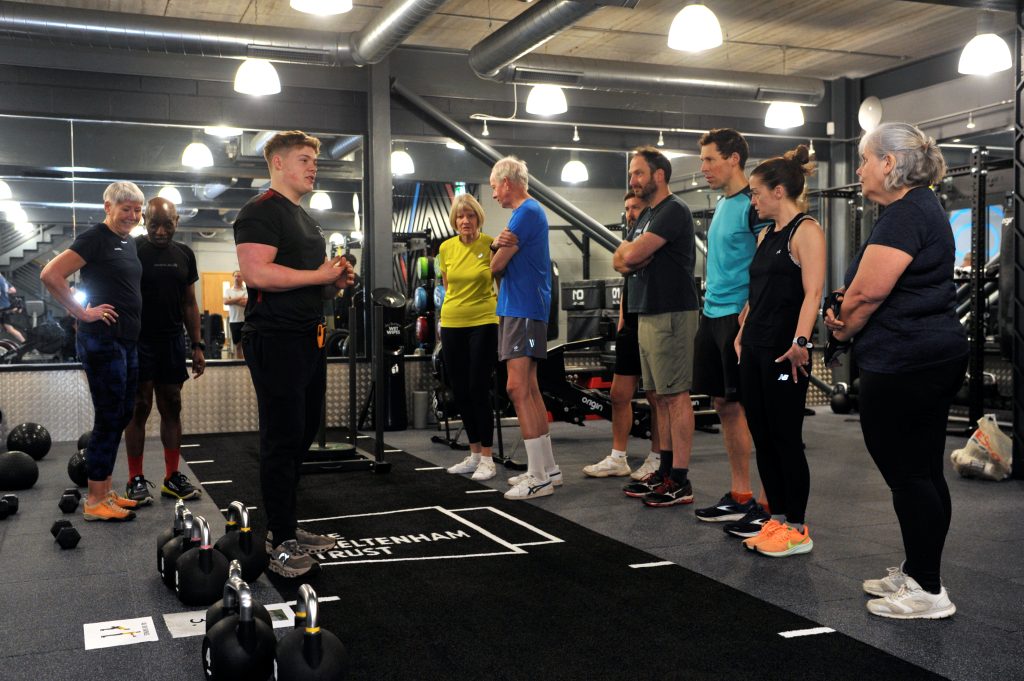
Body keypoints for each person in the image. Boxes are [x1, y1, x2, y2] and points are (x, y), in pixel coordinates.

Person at [826, 122, 967, 619]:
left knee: (908, 474)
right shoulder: (919, 207)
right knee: (924, 470)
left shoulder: (906, 213)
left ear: (889, 164)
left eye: (865, 159)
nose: (860, 168)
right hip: (927, 355)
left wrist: (841, 330)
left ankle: (928, 590)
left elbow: (867, 294)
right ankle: (918, 570)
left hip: (908, 360)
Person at [234, 130, 355, 577]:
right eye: (304, 159)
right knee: (282, 438)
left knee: (302, 432)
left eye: (315, 161)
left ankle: (286, 525)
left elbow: (305, 277)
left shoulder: (303, 218)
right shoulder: (260, 212)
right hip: (276, 338)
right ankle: (280, 539)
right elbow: (256, 273)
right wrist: (316, 275)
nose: (312, 167)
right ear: (278, 163)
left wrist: (331, 282)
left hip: (308, 335)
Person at [733, 145, 825, 558]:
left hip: (784, 351)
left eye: (756, 192)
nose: (752, 200)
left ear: (780, 190)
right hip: (753, 346)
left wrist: (801, 342)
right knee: (763, 436)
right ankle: (776, 519)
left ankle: (797, 527)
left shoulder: (806, 230)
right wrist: (743, 327)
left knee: (786, 436)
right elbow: (759, 290)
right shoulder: (765, 235)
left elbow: (813, 293)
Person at [40, 181, 146, 521]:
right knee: (109, 415)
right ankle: (95, 500)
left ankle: (105, 489)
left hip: (126, 340)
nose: (132, 215)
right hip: (102, 340)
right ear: (108, 207)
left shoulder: (127, 242)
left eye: (136, 209)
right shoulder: (95, 237)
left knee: (123, 413)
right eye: (125, 208)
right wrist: (82, 312)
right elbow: (51, 274)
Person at [692, 129, 773, 534]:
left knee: (755, 408)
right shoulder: (724, 204)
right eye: (703, 160)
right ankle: (740, 495)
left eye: (710, 159)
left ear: (734, 159)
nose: (703, 168)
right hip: (713, 314)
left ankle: (768, 499)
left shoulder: (750, 205)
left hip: (738, 319)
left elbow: (765, 264)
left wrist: (749, 310)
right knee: (724, 405)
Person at [615, 146, 700, 508]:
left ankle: (680, 479)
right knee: (659, 396)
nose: (632, 180)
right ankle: (665, 471)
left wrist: (631, 256)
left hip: (671, 312)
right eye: (631, 174)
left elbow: (630, 256)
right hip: (647, 311)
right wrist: (631, 256)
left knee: (676, 395)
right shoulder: (648, 214)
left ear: (658, 175)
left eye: (638, 173)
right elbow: (622, 258)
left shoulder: (673, 210)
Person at [122, 197, 205, 505]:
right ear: (145, 221)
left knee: (172, 405)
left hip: (171, 340)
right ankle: (136, 479)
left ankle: (172, 477)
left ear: (176, 222)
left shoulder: (185, 254)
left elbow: (189, 303)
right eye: (154, 224)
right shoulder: (132, 250)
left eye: (166, 225)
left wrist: (197, 344)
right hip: (138, 340)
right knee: (139, 406)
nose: (159, 231)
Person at [488, 156, 559, 500]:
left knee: (517, 387)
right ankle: (548, 469)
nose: (493, 195)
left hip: (524, 310)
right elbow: (497, 261)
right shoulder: (526, 214)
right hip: (521, 309)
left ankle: (538, 476)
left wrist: (495, 249)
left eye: (494, 187)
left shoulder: (526, 213)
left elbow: (495, 265)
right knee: (528, 387)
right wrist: (496, 247)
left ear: (508, 182)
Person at [583, 191, 662, 480]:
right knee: (618, 395)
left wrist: (628, 259)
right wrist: (620, 320)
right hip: (629, 323)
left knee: (656, 396)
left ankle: (657, 458)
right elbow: (622, 266)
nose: (630, 213)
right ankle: (618, 458)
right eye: (627, 208)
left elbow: (632, 262)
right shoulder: (630, 238)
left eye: (636, 208)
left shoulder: (655, 233)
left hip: (653, 319)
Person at [439, 194, 500, 482]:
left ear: (478, 218)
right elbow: (447, 286)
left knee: (478, 387)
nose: (465, 221)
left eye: (470, 216)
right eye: (461, 217)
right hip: (452, 322)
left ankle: (488, 457)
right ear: (454, 220)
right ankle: (474, 453)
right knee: (459, 389)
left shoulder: (490, 245)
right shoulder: (445, 248)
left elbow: (500, 282)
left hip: (483, 321)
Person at [224, 270, 247, 359]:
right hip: (234, 321)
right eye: (235, 276)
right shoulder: (228, 290)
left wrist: (232, 300)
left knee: (246, 345)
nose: (237, 278)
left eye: (239, 276)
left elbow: (247, 303)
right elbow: (226, 302)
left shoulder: (246, 290)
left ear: (242, 278)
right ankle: (240, 363)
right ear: (233, 277)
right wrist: (240, 298)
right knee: (237, 346)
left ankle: (248, 364)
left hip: (245, 320)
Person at [0, 272, 26, 343]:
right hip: (6, 307)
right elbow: (13, 290)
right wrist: (5, 292)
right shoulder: (3, 279)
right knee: (10, 329)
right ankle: (26, 344)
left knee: (9, 328)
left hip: (2, 307)